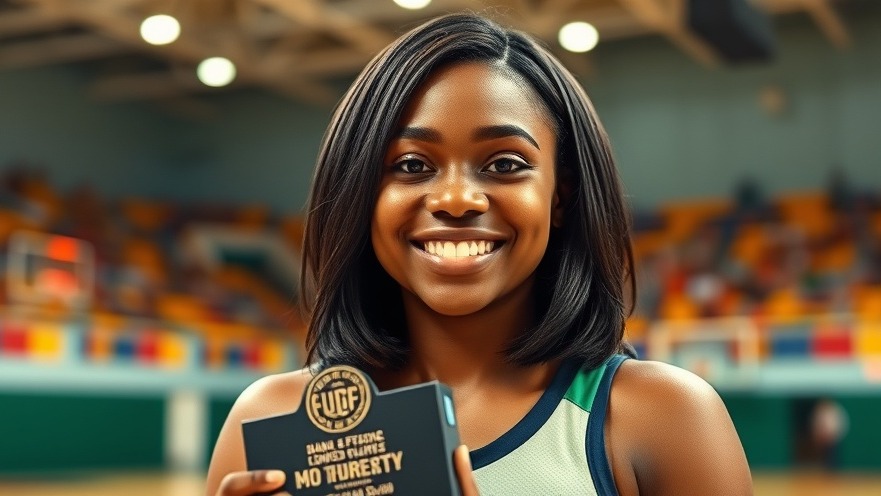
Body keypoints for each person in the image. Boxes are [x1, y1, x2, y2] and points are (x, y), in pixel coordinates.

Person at [205, 13, 752, 496]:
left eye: (505, 164)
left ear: (559, 197)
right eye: (412, 165)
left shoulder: (662, 418)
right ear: (362, 195)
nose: (457, 199)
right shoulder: (272, 421)